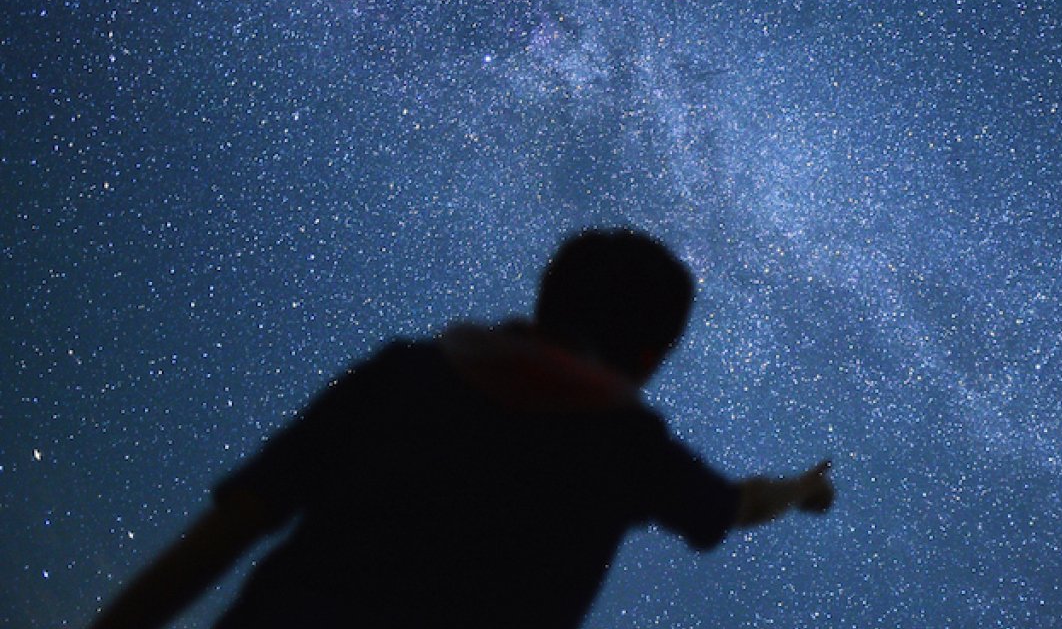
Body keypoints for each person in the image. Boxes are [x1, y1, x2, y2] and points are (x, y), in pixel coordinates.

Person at [88, 228, 834, 629]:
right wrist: (802, 489)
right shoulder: (623, 445)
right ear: (646, 354)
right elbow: (735, 505)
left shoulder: (408, 371)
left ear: (548, 301)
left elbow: (240, 517)